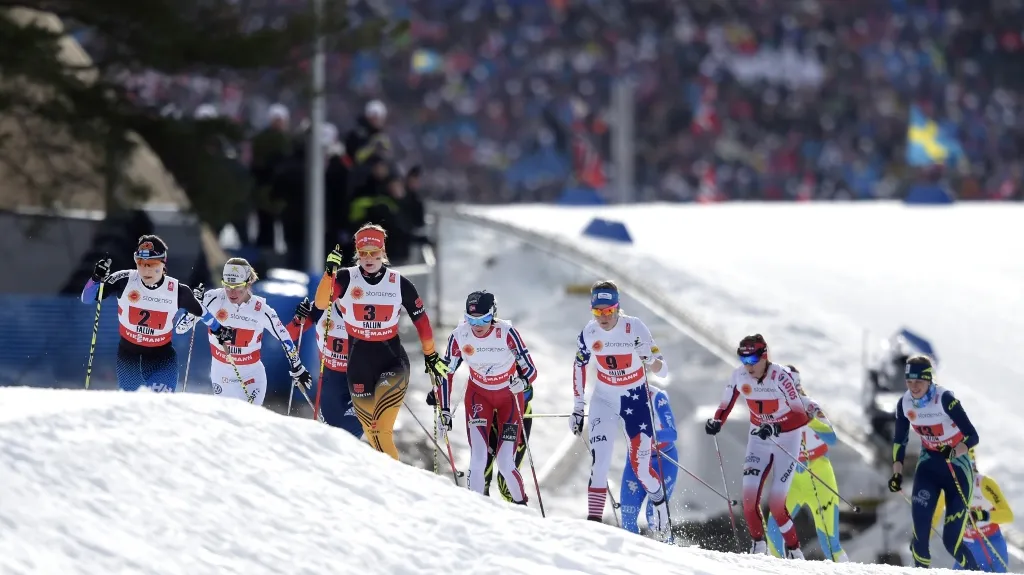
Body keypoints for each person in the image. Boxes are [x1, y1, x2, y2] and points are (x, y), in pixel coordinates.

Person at [314, 224, 447, 460]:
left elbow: (422, 321)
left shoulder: (399, 282)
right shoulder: (346, 277)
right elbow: (322, 303)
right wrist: (329, 273)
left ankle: (397, 486)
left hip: (391, 363)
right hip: (358, 368)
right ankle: (383, 485)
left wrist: (430, 355)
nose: (368, 258)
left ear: (382, 252)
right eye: (363, 253)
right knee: (373, 435)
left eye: (374, 252)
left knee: (382, 431)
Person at [571, 280, 671, 534]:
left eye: (608, 310)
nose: (603, 317)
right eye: (597, 311)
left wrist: (649, 359)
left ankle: (659, 503)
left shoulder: (634, 327)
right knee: (600, 461)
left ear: (617, 308)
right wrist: (577, 406)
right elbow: (579, 366)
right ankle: (594, 524)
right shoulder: (589, 332)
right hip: (604, 398)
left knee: (641, 468)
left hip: (635, 398)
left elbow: (664, 370)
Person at [80, 235, 232, 392]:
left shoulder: (178, 291)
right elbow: (87, 298)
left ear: (162, 263)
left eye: (152, 264)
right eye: (141, 263)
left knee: (157, 407)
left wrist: (218, 329)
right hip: (128, 359)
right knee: (133, 410)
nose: (146, 269)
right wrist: (96, 278)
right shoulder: (124, 279)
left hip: (161, 360)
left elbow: (201, 312)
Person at [704, 334, 811, 559]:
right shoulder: (739, 376)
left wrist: (776, 428)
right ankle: (758, 547)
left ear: (764, 356)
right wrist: (717, 421)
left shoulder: (781, 377)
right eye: (743, 360)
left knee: (776, 503)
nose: (748, 366)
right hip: (759, 438)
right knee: (749, 500)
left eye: (753, 360)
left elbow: (801, 416)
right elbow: (725, 405)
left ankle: (794, 550)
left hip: (787, 439)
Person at [430, 290, 538, 505]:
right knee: (478, 461)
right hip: (479, 397)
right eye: (471, 319)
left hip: (509, 399)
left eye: (484, 319)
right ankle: (476, 511)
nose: (477, 325)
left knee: (506, 463)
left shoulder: (507, 333)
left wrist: (523, 382)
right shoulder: (460, 335)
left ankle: (523, 509)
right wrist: (443, 410)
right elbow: (445, 373)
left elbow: (531, 369)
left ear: (493, 314)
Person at [176, 258, 312, 405]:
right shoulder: (212, 299)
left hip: (251, 377)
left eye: (237, 287)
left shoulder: (261, 310)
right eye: (227, 286)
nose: (231, 292)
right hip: (221, 376)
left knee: (249, 421)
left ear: (248, 283)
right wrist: (193, 307)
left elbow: (284, 337)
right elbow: (180, 328)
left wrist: (297, 367)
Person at [890, 354, 980, 570]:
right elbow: (899, 441)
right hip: (929, 467)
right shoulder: (904, 403)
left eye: (918, 381)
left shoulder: (945, 399)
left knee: (951, 542)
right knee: (920, 535)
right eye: (909, 382)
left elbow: (972, 436)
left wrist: (955, 450)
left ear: (929, 379)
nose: (913, 387)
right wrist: (897, 473)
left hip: (957, 469)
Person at [766, 365, 849, 562]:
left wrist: (808, 420)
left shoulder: (810, 406)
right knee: (773, 534)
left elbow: (831, 438)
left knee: (829, 543)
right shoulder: (775, 410)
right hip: (792, 478)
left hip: (819, 476)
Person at [286, 296, 364, 438]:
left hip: (361, 380)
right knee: (330, 435)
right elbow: (289, 334)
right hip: (330, 381)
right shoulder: (321, 307)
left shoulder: (367, 309)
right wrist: (298, 319)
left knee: (350, 434)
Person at [931, 449, 1013, 572]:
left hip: (990, 544)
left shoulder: (985, 484)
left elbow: (1008, 515)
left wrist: (982, 515)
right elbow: (935, 515)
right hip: (967, 545)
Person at [620, 383, 678, 534]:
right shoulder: (616, 392)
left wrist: (648, 437)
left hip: (663, 459)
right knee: (628, 515)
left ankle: (667, 548)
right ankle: (628, 555)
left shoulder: (657, 396)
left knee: (653, 515)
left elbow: (672, 433)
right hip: (636, 459)